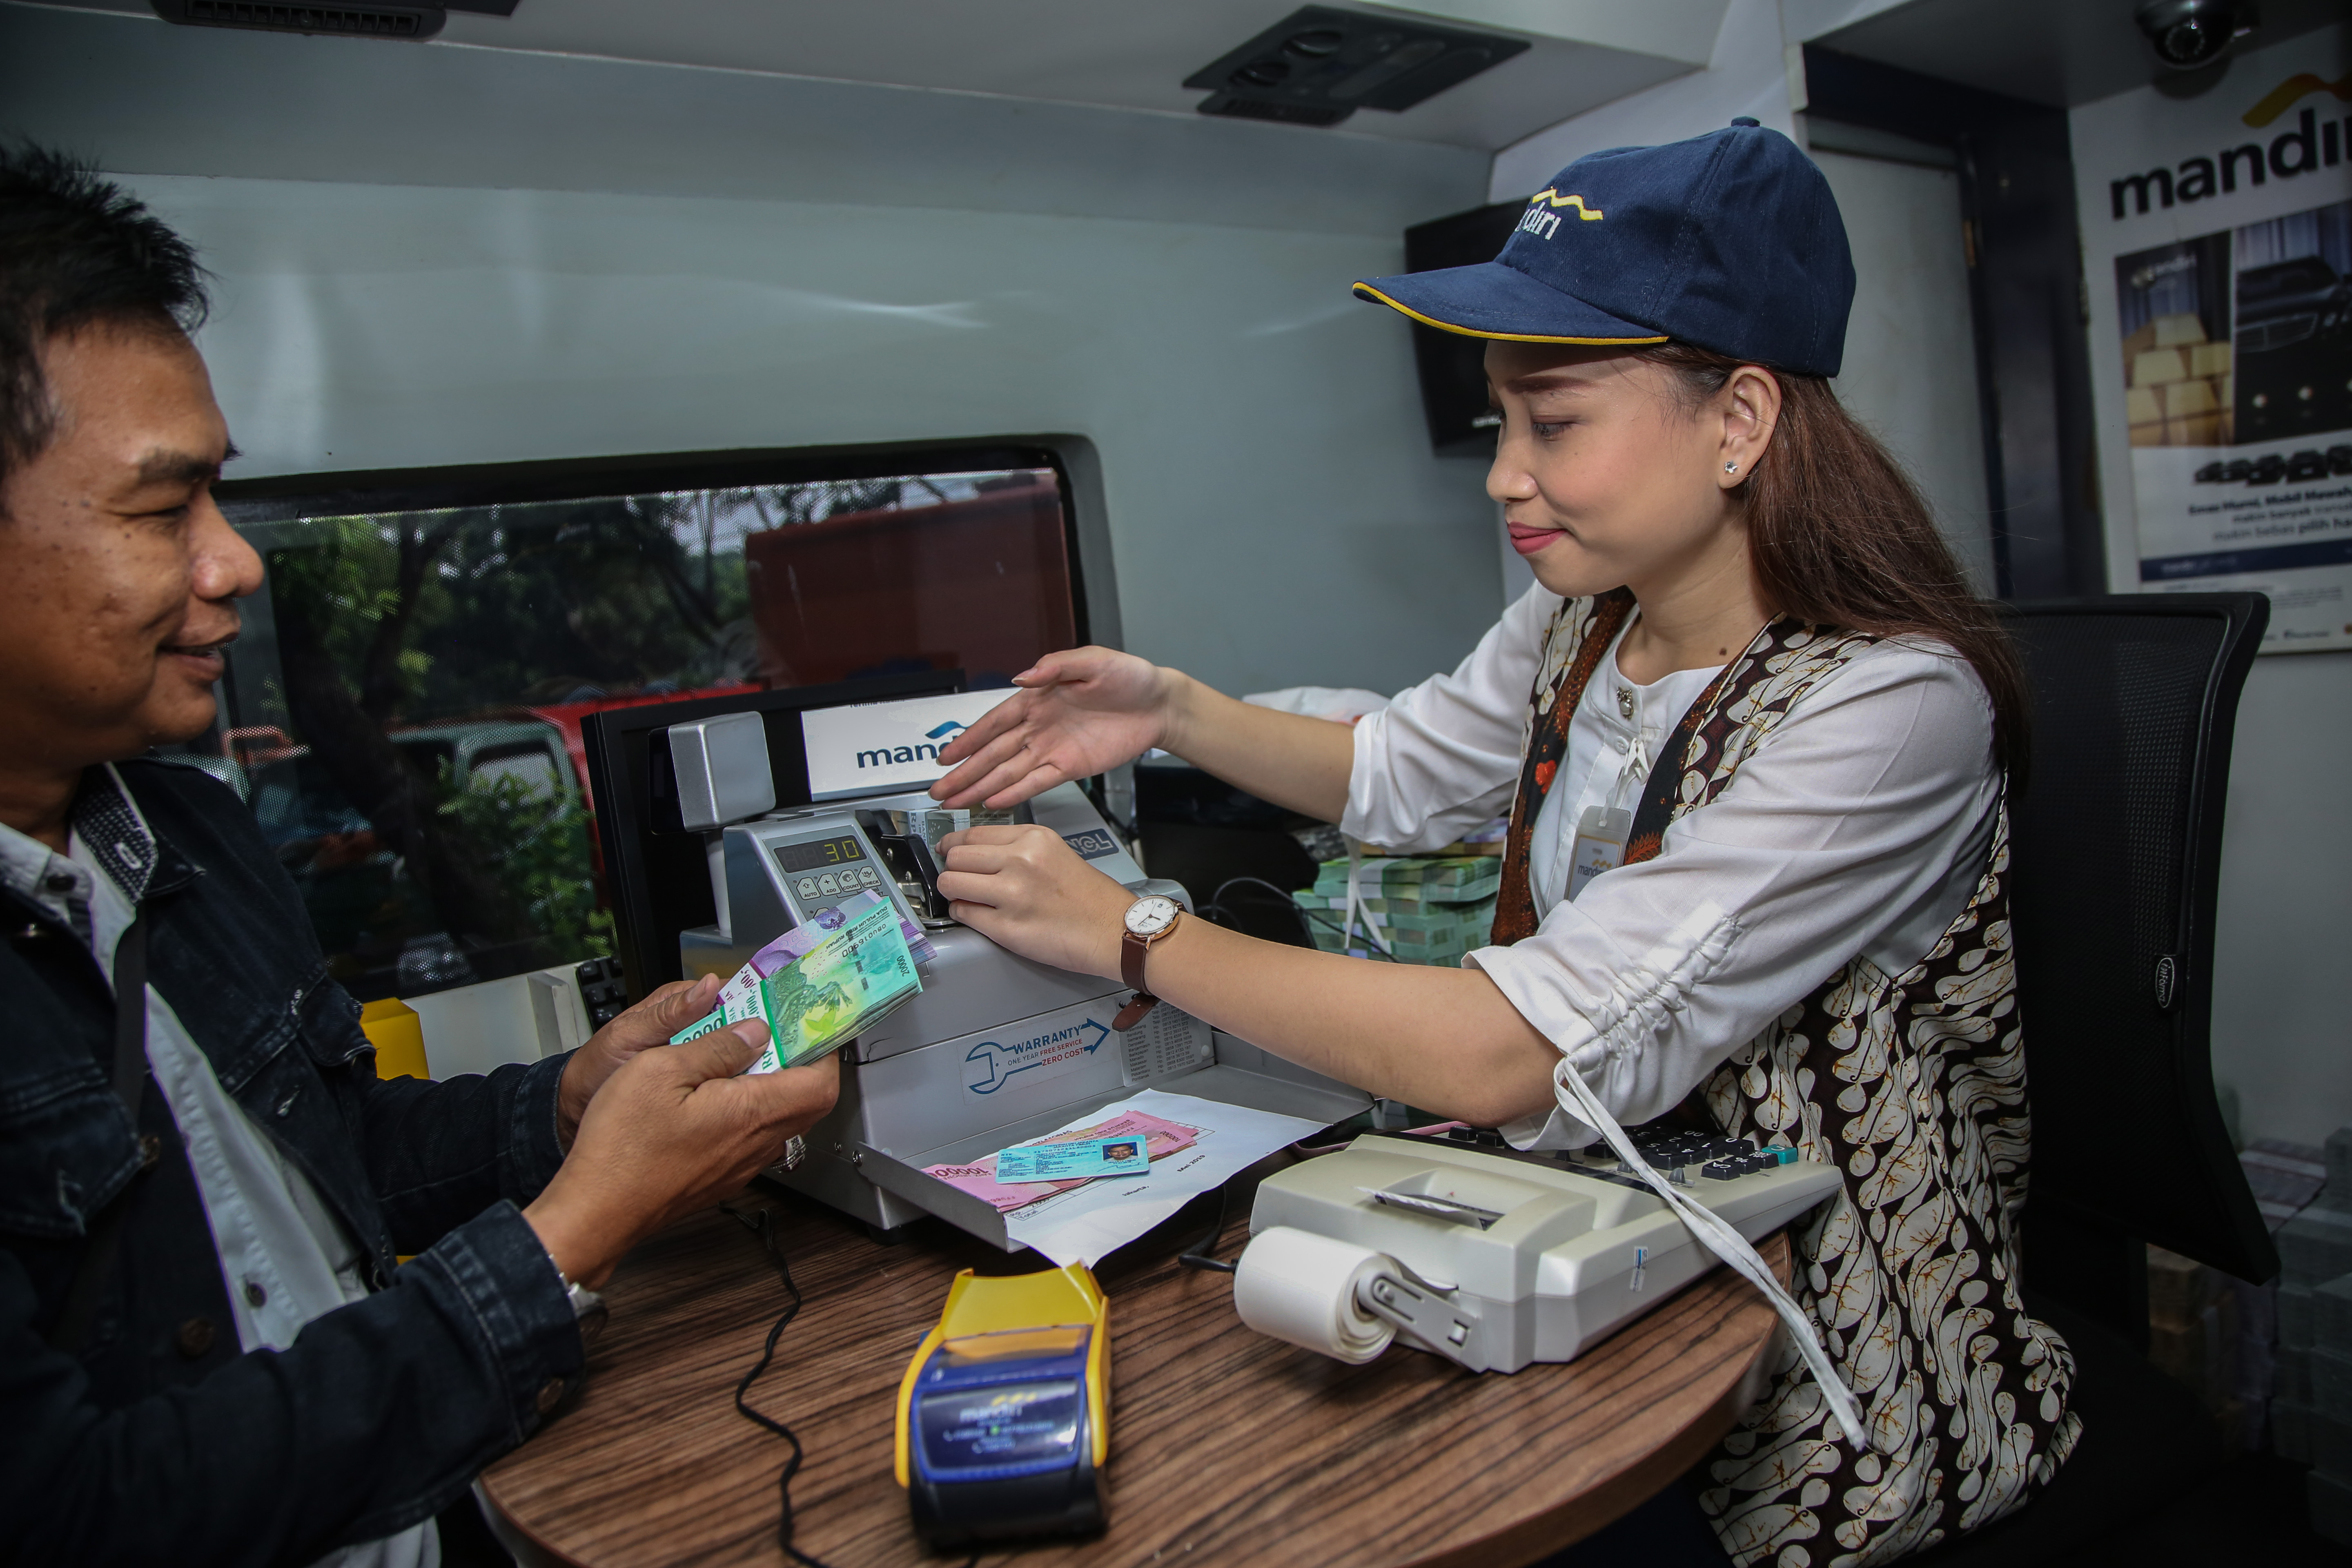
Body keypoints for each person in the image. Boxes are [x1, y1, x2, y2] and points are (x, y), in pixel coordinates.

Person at [928, 123, 2078, 1565]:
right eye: (1499, 424)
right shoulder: (1585, 616)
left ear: (1740, 421)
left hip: (1821, 1345)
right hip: (1598, 1244)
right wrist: (1170, 708)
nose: (1504, 478)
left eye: (1558, 422)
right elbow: (1399, 770)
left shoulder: (1895, 709)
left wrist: (1131, 933)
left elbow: (1516, 1052)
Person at [0, 146, 839, 1566]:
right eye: (161, 512)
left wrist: (570, 1106)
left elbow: (334, 1160)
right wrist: (569, 1233)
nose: (235, 565)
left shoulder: (182, 830)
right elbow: (78, 1507)